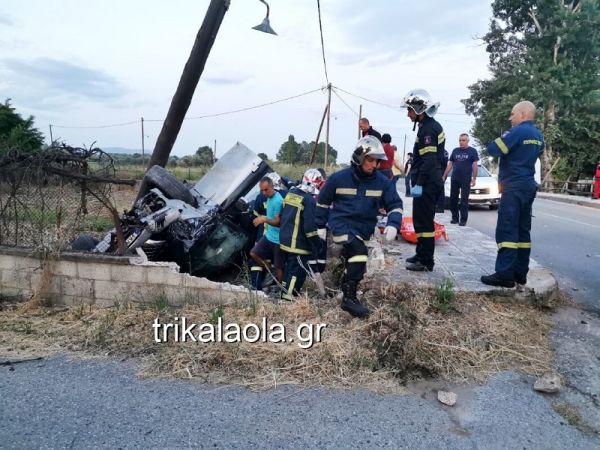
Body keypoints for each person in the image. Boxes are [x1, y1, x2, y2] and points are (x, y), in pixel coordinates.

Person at [316, 136, 403, 318]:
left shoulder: (382, 182)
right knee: (359, 252)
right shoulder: (338, 178)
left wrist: (394, 223)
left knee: (356, 260)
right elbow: (322, 202)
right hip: (342, 224)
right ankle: (349, 299)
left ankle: (344, 285)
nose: (374, 165)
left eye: (377, 161)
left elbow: (395, 204)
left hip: (363, 228)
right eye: (370, 160)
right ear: (359, 158)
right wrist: (320, 225)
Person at [481, 101, 544, 288]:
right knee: (523, 231)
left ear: (523, 114)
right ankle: (520, 274)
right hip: (528, 186)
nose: (510, 118)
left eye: (512, 114)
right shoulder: (538, 135)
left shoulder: (517, 132)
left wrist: (492, 141)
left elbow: (493, 149)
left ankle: (504, 275)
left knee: (507, 229)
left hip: (513, 186)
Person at [402, 89, 445, 272]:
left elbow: (429, 161)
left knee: (425, 222)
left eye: (410, 109)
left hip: (427, 182)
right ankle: (421, 253)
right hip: (427, 181)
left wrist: (419, 183)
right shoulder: (428, 126)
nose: (408, 113)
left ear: (420, 109)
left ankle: (426, 261)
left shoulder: (428, 130)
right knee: (420, 220)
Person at [279, 168, 325, 301]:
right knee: (297, 272)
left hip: (285, 240)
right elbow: (309, 228)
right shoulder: (309, 200)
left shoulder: (290, 193)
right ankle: (288, 298)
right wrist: (317, 243)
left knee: (289, 269)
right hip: (297, 243)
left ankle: (283, 293)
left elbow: (284, 216)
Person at [249, 176, 285, 288]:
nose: (264, 193)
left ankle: (280, 288)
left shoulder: (278, 201)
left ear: (272, 187)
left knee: (280, 266)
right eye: (262, 190)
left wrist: (263, 219)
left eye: (266, 190)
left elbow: (278, 222)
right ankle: (270, 271)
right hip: (268, 236)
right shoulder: (268, 198)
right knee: (253, 253)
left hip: (278, 240)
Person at [442, 134, 479, 225]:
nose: (461, 142)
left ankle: (463, 220)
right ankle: (455, 218)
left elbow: (475, 165)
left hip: (466, 179)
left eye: (463, 140)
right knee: (453, 199)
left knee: (464, 201)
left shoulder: (472, 151)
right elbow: (450, 164)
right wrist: (444, 175)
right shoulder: (455, 151)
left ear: (467, 141)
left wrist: (474, 178)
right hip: (455, 179)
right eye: (460, 140)